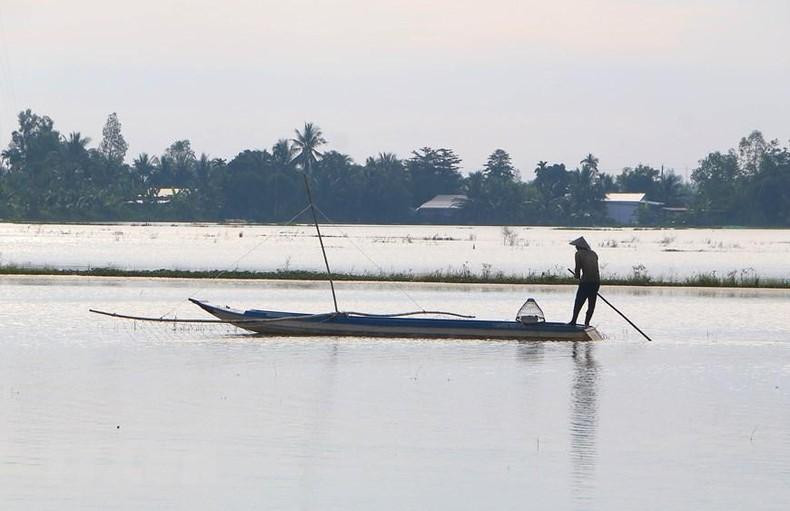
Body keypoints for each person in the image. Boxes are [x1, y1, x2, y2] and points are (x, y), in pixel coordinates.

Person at [569, 236, 600, 326]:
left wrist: (576, 276)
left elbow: (578, 268)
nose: (576, 248)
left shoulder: (578, 254)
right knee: (591, 303)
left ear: (579, 247)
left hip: (586, 282)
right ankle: (587, 323)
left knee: (578, 302)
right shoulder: (594, 253)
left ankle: (573, 321)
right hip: (596, 282)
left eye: (576, 246)